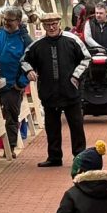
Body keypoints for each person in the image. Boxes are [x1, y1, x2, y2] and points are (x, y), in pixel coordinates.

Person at [23, 12, 91, 168]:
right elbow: (24, 60)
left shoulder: (72, 40)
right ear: (43, 26)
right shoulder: (37, 45)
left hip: (70, 91)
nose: (51, 27)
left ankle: (79, 156)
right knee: (52, 127)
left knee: (76, 125)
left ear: (59, 24)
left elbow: (86, 58)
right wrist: (29, 70)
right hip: (48, 92)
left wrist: (76, 76)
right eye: (47, 25)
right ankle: (54, 157)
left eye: (54, 24)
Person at [0, 5, 35, 151]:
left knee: (11, 118)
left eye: (10, 20)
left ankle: (10, 148)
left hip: (11, 87)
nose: (6, 22)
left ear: (18, 21)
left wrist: (20, 84)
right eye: (5, 19)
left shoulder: (24, 40)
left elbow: (32, 63)